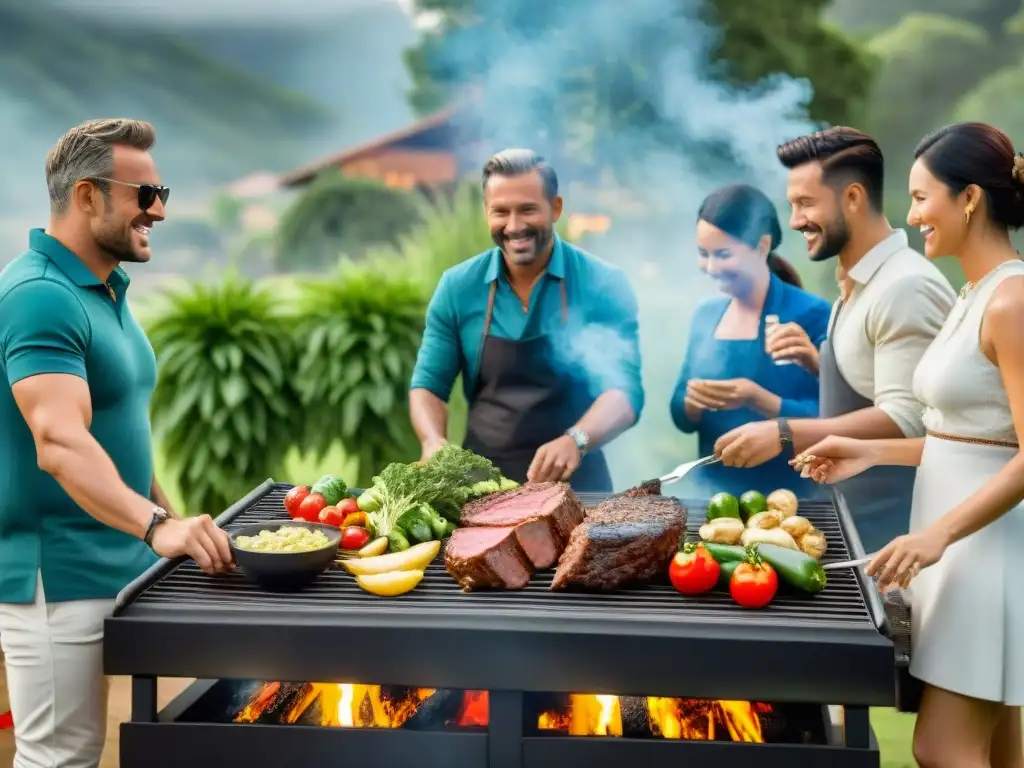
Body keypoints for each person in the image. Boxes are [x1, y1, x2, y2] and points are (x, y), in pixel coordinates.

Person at [0, 119, 234, 768]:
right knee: (60, 757)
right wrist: (157, 524)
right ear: (86, 196)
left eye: (162, 191)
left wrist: (169, 519)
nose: (159, 209)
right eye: (145, 193)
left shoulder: (106, 291)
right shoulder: (39, 296)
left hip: (121, 558)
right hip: (61, 574)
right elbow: (61, 443)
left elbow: (118, 428)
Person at [795, 122, 1024, 768]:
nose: (912, 214)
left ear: (970, 199)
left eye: (924, 197)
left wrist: (937, 537)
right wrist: (870, 450)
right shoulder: (970, 294)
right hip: (956, 546)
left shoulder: (1012, 300)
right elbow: (970, 442)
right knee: (998, 753)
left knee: (941, 748)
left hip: (982, 554)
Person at [713, 128, 956, 552]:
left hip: (895, 536)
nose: (794, 221)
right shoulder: (859, 281)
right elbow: (873, 380)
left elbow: (906, 418)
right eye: (792, 205)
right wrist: (819, 362)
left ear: (853, 198)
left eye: (806, 203)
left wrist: (783, 432)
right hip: (855, 522)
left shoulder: (905, 287)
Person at [409, 148, 643, 492]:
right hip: (484, 486)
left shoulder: (602, 283)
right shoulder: (459, 287)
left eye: (528, 210)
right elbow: (429, 385)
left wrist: (576, 439)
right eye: (500, 212)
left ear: (556, 208)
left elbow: (624, 393)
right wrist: (432, 441)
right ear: (486, 213)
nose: (514, 226)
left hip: (579, 486)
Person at [669, 183, 831, 498]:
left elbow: (834, 419)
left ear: (762, 246)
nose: (711, 267)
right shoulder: (706, 314)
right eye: (703, 254)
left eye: (723, 254)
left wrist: (757, 398)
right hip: (713, 498)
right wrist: (693, 401)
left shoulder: (811, 313)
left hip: (793, 498)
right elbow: (680, 415)